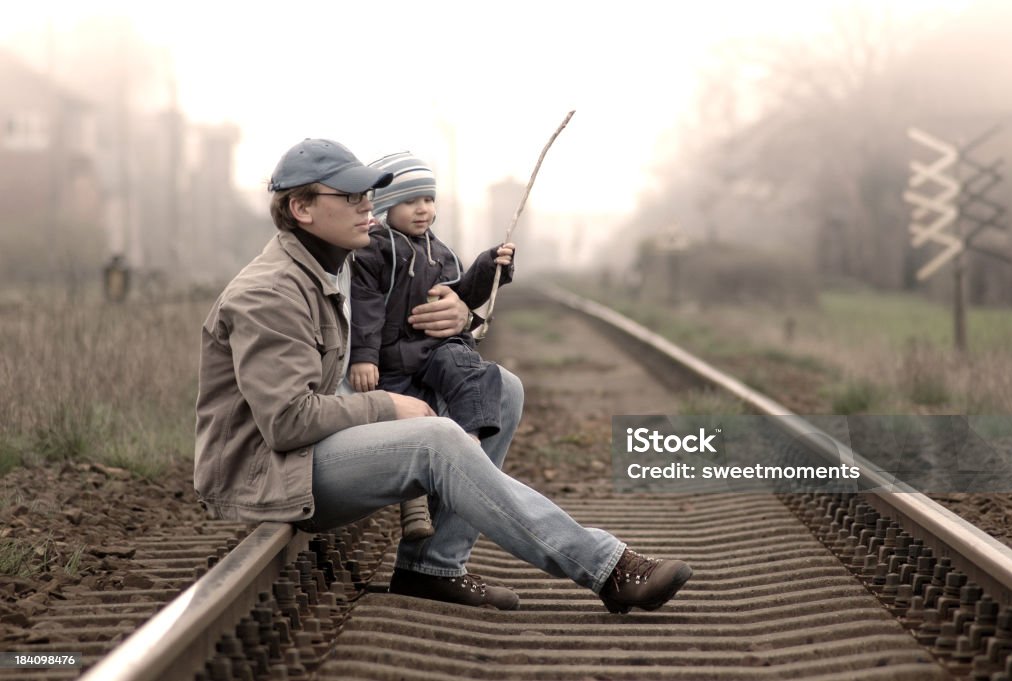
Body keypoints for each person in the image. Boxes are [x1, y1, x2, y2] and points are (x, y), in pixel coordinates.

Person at [193, 138, 692, 613]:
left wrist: (464, 317)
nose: (368, 205)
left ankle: (433, 566)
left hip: (310, 452)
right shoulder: (270, 292)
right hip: (272, 470)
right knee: (435, 441)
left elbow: (396, 334)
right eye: (349, 197)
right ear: (301, 209)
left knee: (502, 389)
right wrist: (390, 407)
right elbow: (285, 421)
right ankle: (605, 567)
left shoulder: (335, 269)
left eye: (368, 194)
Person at [348, 152, 514, 541]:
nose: (423, 210)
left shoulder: (440, 253)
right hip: (393, 356)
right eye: (410, 201)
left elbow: (463, 294)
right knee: (415, 418)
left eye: (428, 200)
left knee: (472, 370)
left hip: (433, 350)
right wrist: (364, 356)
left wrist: (491, 267)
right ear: (387, 205)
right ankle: (414, 503)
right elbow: (366, 309)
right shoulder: (375, 249)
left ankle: (471, 438)